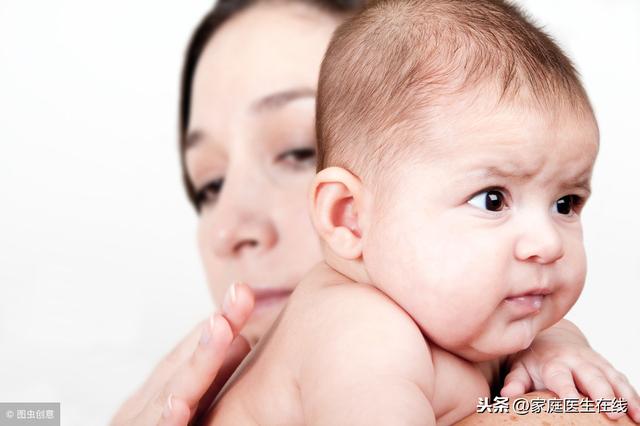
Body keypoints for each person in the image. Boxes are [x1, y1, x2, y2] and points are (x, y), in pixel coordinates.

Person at [110, 0, 640, 424]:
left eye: (566, 203)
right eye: (493, 200)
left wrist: (558, 348)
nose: (547, 242)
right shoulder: (361, 332)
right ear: (348, 219)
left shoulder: (456, 310)